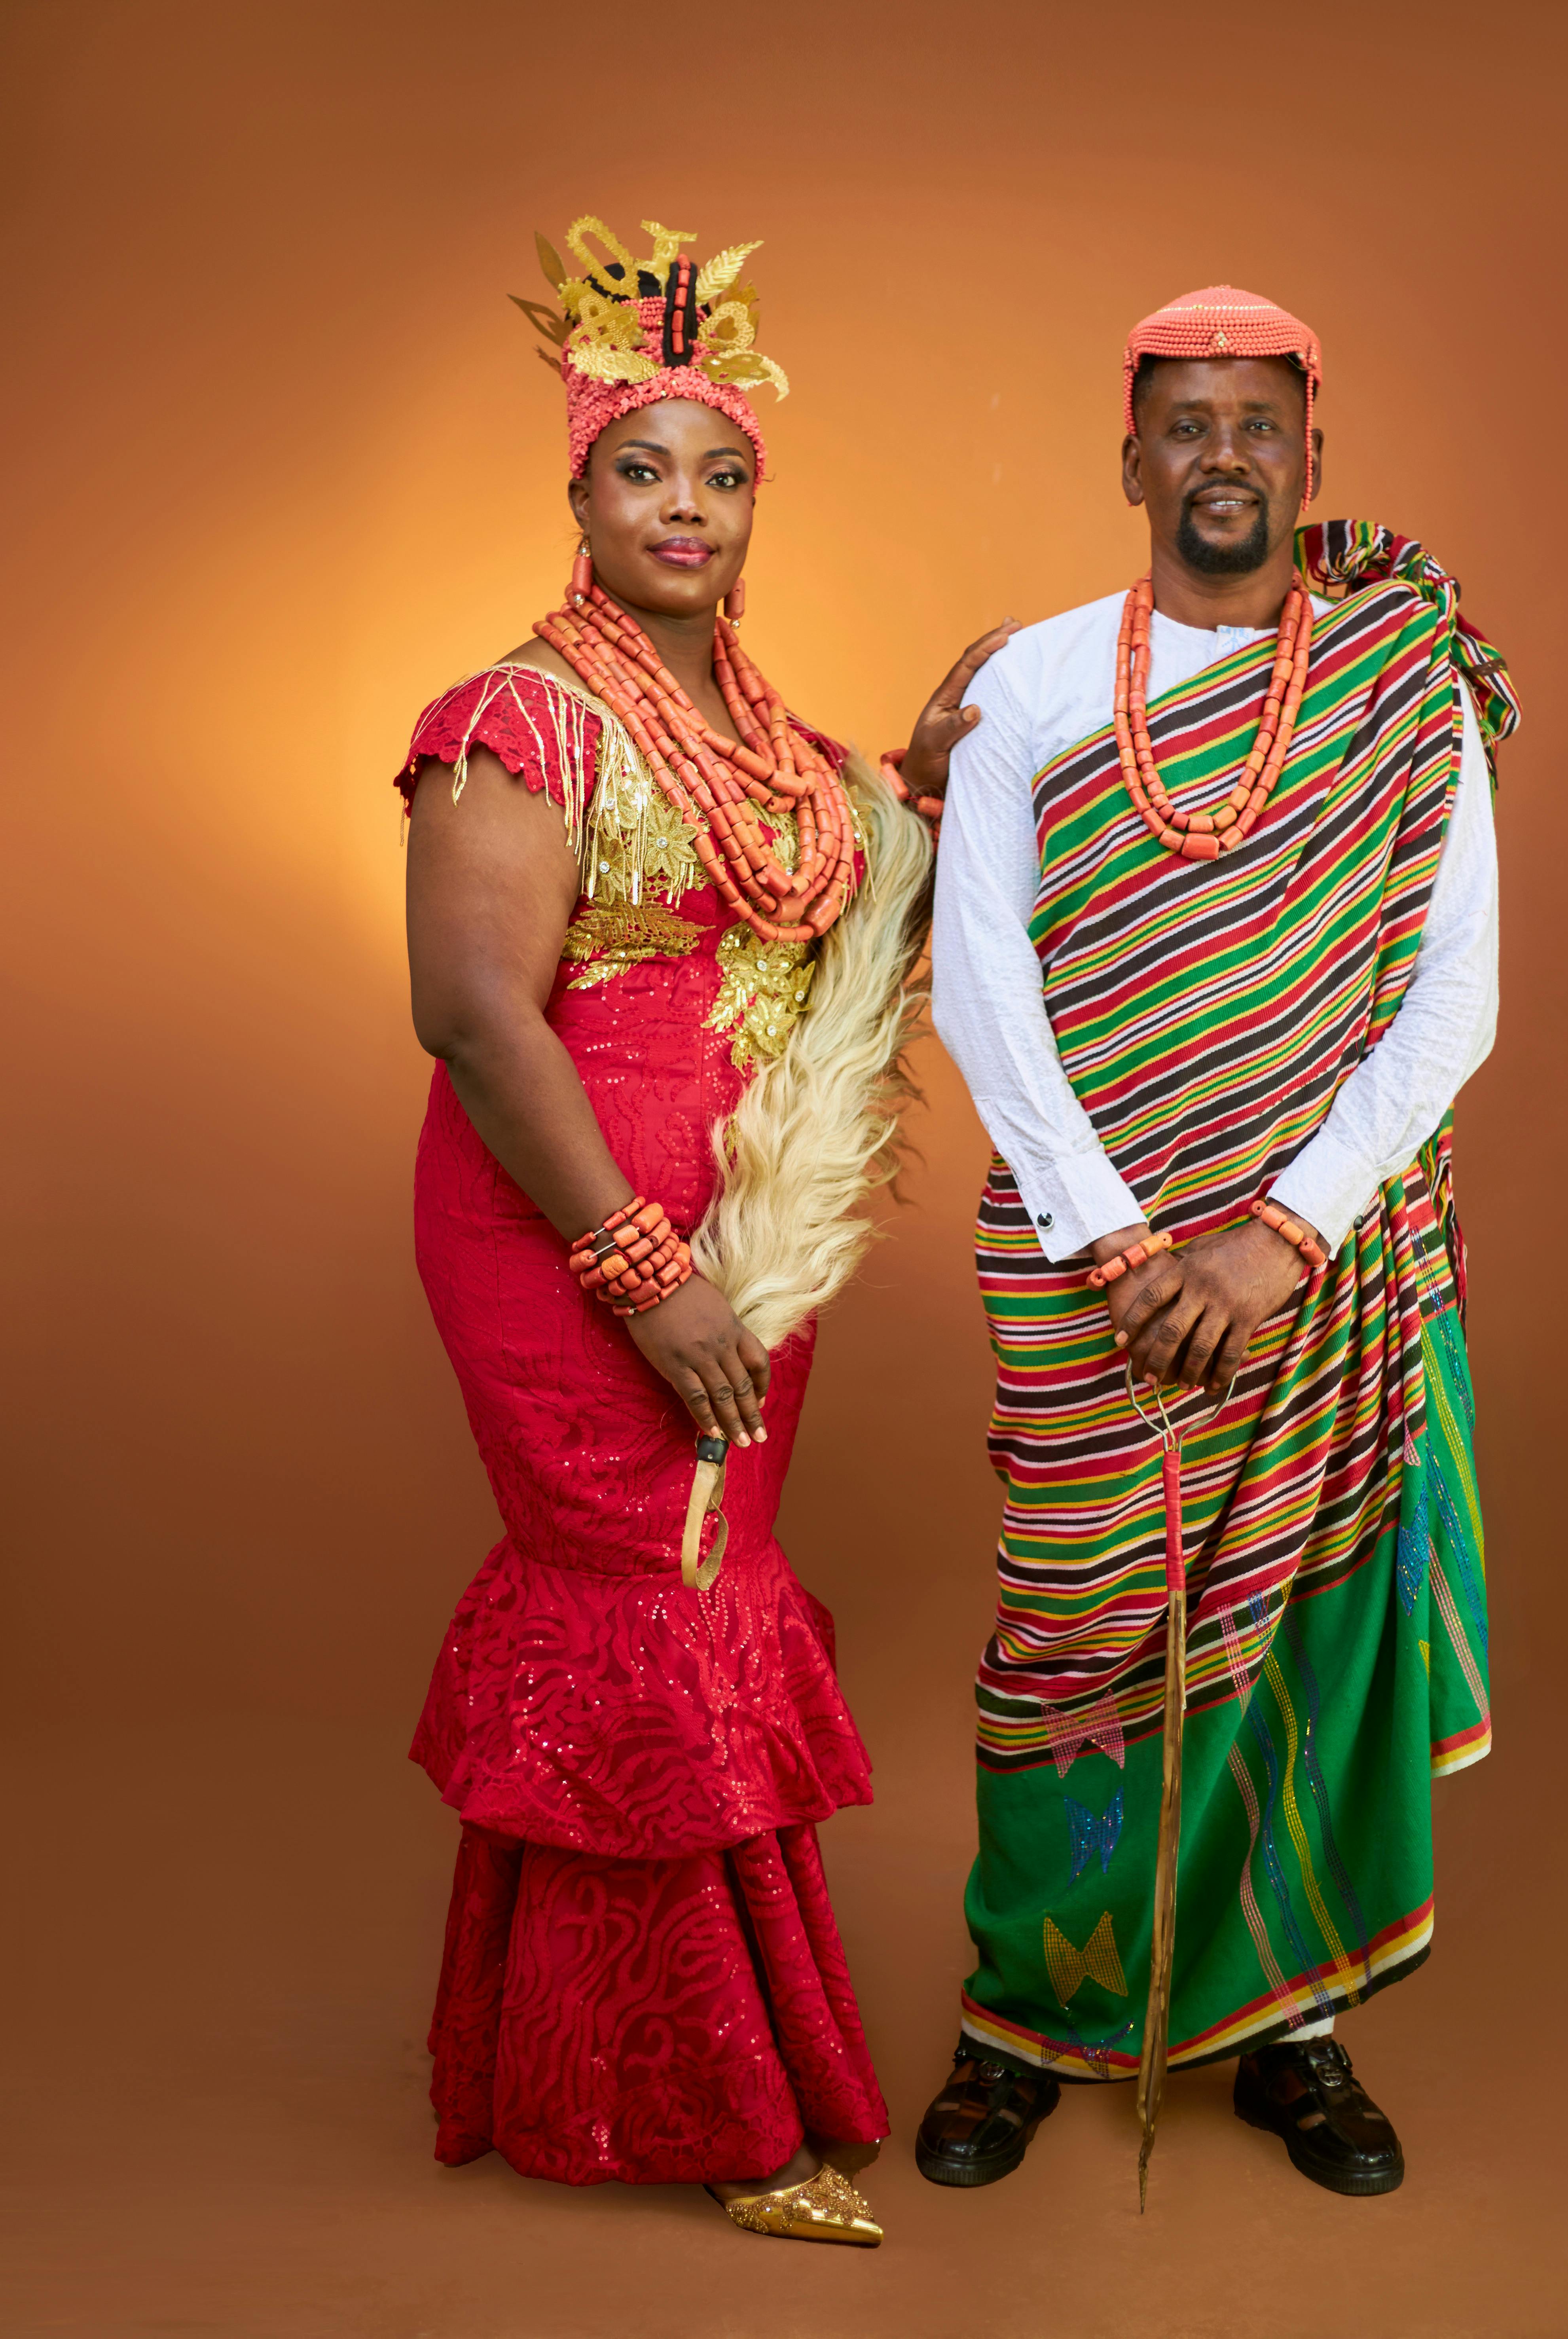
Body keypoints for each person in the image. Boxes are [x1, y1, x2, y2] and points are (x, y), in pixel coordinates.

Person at [899, 285, 1520, 2201]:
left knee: (1315, 1627)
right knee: (1077, 1628)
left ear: (1307, 454)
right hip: (1089, 1263)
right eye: (1189, 422)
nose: (1224, 454)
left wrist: (1275, 1236)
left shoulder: (1405, 686)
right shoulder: (1028, 684)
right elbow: (978, 983)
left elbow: (1453, 998)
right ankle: (1025, 2011)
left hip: (1321, 1262)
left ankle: (1292, 2027)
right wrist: (1116, 1242)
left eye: (1260, 422)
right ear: (1132, 457)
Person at [394, 210, 940, 2246]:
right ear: (579, 490)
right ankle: (700, 2098)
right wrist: (644, 1265)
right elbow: (469, 1013)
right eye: (644, 470)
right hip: (575, 1246)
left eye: (720, 473)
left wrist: (942, 771)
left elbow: (856, 891)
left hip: (750, 1236)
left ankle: (578, 2053)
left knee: (710, 1594)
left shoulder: (780, 750)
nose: (685, 508)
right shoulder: (509, 721)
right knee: (640, 1599)